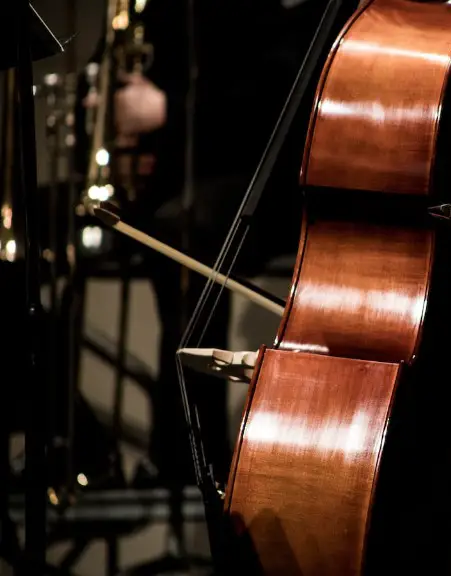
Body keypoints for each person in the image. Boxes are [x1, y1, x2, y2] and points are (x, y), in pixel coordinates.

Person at [90, 0, 327, 488]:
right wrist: (101, 99)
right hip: (179, 185)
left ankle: (194, 457)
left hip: (275, 179)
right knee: (161, 228)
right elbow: (120, 58)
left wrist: (167, 109)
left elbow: (283, 93)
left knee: (189, 233)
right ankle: (125, 452)